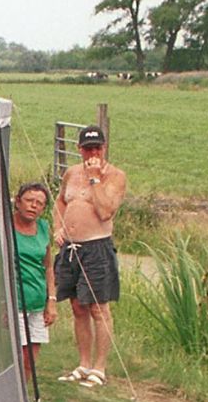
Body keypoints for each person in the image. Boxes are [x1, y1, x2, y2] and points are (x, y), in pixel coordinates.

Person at [52, 125, 127, 387]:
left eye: (97, 147)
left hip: (97, 248)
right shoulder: (71, 173)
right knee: (77, 306)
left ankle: (99, 367)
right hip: (72, 247)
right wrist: (57, 227)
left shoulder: (115, 176)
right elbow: (61, 201)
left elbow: (106, 210)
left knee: (98, 307)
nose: (92, 152)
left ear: (104, 148)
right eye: (87, 148)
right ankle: (83, 363)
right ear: (79, 149)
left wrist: (95, 178)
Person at [11, 182, 55, 377]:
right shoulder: (6, 227)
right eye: (29, 200)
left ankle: (24, 400)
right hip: (15, 302)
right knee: (17, 356)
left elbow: (48, 266)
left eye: (39, 203)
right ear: (18, 201)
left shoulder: (44, 228)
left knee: (31, 359)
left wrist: (51, 301)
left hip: (37, 302)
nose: (33, 206)